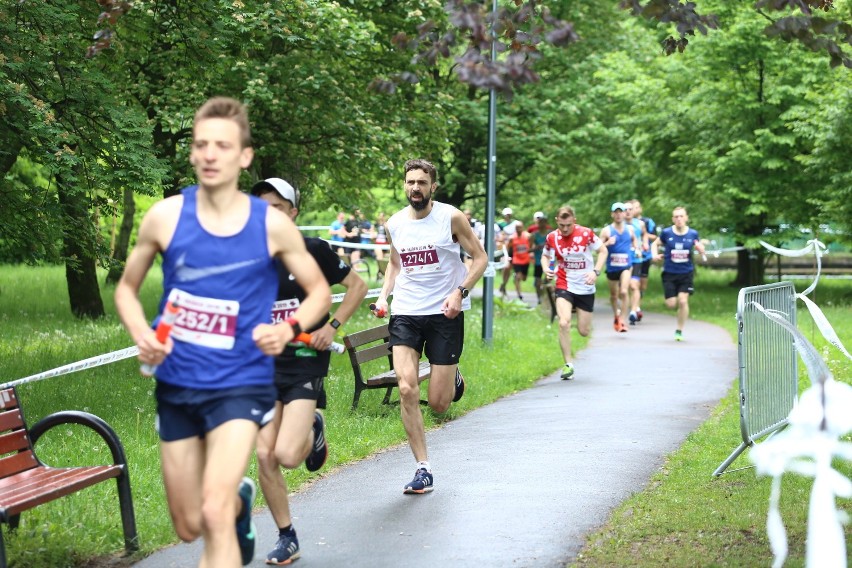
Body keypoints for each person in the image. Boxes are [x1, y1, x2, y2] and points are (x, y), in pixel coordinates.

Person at [114, 97, 331, 567]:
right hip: (177, 384)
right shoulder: (165, 217)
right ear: (192, 153)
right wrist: (141, 332)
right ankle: (238, 507)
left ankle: (226, 510)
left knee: (210, 512)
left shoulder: (272, 225)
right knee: (188, 522)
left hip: (242, 383)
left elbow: (319, 293)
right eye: (202, 145)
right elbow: (126, 290)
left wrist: (289, 327)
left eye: (223, 145)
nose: (211, 154)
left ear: (243, 156)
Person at [251, 177, 368, 565]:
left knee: (286, 455)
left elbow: (357, 286)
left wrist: (330, 328)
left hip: (303, 361)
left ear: (293, 213)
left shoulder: (313, 250)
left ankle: (312, 428)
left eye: (277, 208)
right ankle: (287, 537)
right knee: (265, 456)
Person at [372, 158, 487, 495]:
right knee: (407, 388)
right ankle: (423, 467)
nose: (415, 188)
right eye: (410, 182)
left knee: (438, 404)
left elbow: (479, 258)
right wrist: (383, 297)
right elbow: (395, 264)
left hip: (444, 314)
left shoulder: (450, 217)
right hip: (406, 311)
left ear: (433, 186)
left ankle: (452, 377)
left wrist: (460, 291)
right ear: (404, 185)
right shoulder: (395, 224)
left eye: (422, 182)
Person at [540, 205, 603, 380]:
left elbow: (603, 251)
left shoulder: (586, 233)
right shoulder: (552, 237)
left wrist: (595, 272)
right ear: (557, 222)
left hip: (585, 286)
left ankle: (580, 316)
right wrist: (546, 269)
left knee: (584, 331)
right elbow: (545, 256)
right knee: (564, 323)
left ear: (574, 220)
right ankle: (568, 364)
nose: (565, 229)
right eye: (562, 225)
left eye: (568, 225)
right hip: (564, 284)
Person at [651, 206, 707, 341]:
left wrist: (701, 249)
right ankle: (677, 313)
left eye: (681, 216)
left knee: (683, 301)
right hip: (669, 273)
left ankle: (679, 330)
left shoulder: (692, 234)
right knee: (671, 304)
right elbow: (655, 244)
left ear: (686, 218)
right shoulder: (667, 233)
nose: (679, 219)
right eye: (676, 216)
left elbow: (700, 248)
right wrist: (654, 255)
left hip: (686, 273)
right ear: (673, 219)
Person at [596, 202, 640, 333]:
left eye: (621, 212)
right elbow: (597, 248)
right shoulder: (607, 230)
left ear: (624, 213)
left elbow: (635, 241)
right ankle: (616, 314)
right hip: (612, 267)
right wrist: (608, 243)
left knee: (624, 292)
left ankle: (623, 320)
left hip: (626, 265)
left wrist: (636, 249)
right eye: (616, 212)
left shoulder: (630, 229)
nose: (619, 214)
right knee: (614, 295)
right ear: (612, 214)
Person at [624, 201, 649, 325]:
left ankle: (633, 311)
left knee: (634, 285)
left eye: (630, 209)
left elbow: (645, 235)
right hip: (623, 259)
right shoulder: (618, 225)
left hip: (637, 258)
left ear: (633, 211)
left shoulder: (640, 224)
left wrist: (645, 243)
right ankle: (633, 306)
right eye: (625, 209)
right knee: (625, 287)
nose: (628, 211)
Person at [632, 199, 657, 321]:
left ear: (640, 209)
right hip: (631, 257)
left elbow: (654, 236)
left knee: (642, 284)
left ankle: (637, 304)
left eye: (637, 207)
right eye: (632, 207)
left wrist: (644, 236)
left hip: (645, 256)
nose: (635, 210)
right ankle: (635, 308)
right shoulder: (625, 223)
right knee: (632, 283)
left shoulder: (647, 222)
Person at [527, 211, 551, 304]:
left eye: (543, 222)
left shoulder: (551, 234)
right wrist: (535, 248)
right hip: (538, 261)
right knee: (537, 282)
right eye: (540, 223)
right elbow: (529, 249)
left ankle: (546, 297)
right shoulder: (534, 235)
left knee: (547, 280)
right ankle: (539, 299)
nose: (542, 224)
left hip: (549, 260)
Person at [508, 220, 532, 301]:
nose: (518, 229)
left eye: (520, 227)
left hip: (526, 260)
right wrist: (508, 256)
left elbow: (532, 245)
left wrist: (531, 252)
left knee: (524, 278)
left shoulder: (528, 236)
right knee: (518, 277)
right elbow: (509, 247)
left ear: (523, 228)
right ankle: (519, 295)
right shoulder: (512, 238)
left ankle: (517, 277)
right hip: (516, 260)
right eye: (517, 228)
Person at [497, 207, 515, 297]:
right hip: (503, 249)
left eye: (509, 214)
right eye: (506, 214)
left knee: (509, 269)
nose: (508, 216)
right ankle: (503, 284)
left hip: (512, 249)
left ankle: (504, 285)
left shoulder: (515, 224)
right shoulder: (500, 224)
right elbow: (498, 237)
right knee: (506, 266)